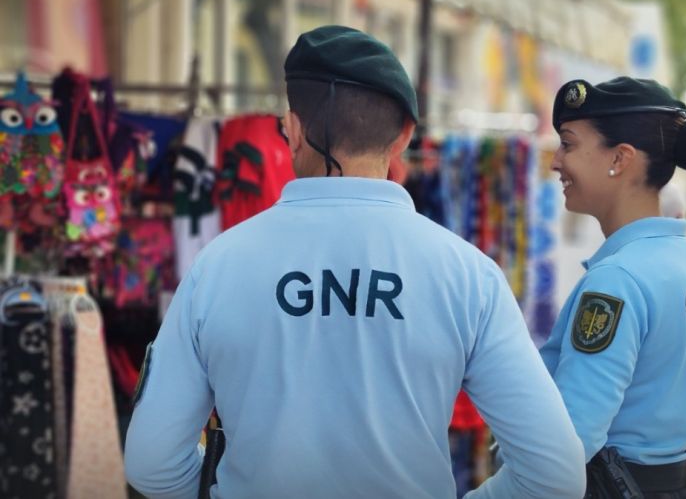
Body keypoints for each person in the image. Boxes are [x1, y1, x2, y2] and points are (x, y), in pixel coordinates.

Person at [124, 25, 585, 499]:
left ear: (292, 129)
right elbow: (553, 473)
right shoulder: (468, 275)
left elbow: (151, 464)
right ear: (404, 136)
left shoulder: (217, 267)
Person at [540, 77, 686, 498]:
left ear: (620, 158)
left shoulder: (616, 281)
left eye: (568, 144)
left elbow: (568, 445)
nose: (556, 162)